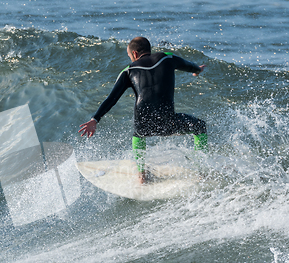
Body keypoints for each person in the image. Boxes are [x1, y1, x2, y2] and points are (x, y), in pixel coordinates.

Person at [78, 36, 207, 184]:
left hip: (143, 126)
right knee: (200, 127)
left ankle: (142, 175)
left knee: (138, 135)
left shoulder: (128, 71)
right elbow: (188, 65)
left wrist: (95, 119)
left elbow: (111, 99)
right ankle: (201, 172)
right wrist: (197, 70)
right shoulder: (167, 58)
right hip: (168, 122)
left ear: (134, 54)